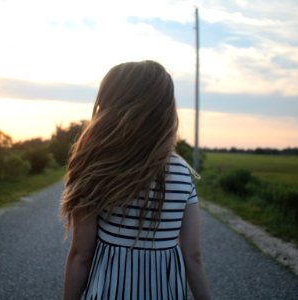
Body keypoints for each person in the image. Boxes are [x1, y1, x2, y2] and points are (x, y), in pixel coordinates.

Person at [61, 60, 211, 300]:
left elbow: (81, 255)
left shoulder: (97, 168)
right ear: (165, 110)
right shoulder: (183, 173)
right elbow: (193, 257)